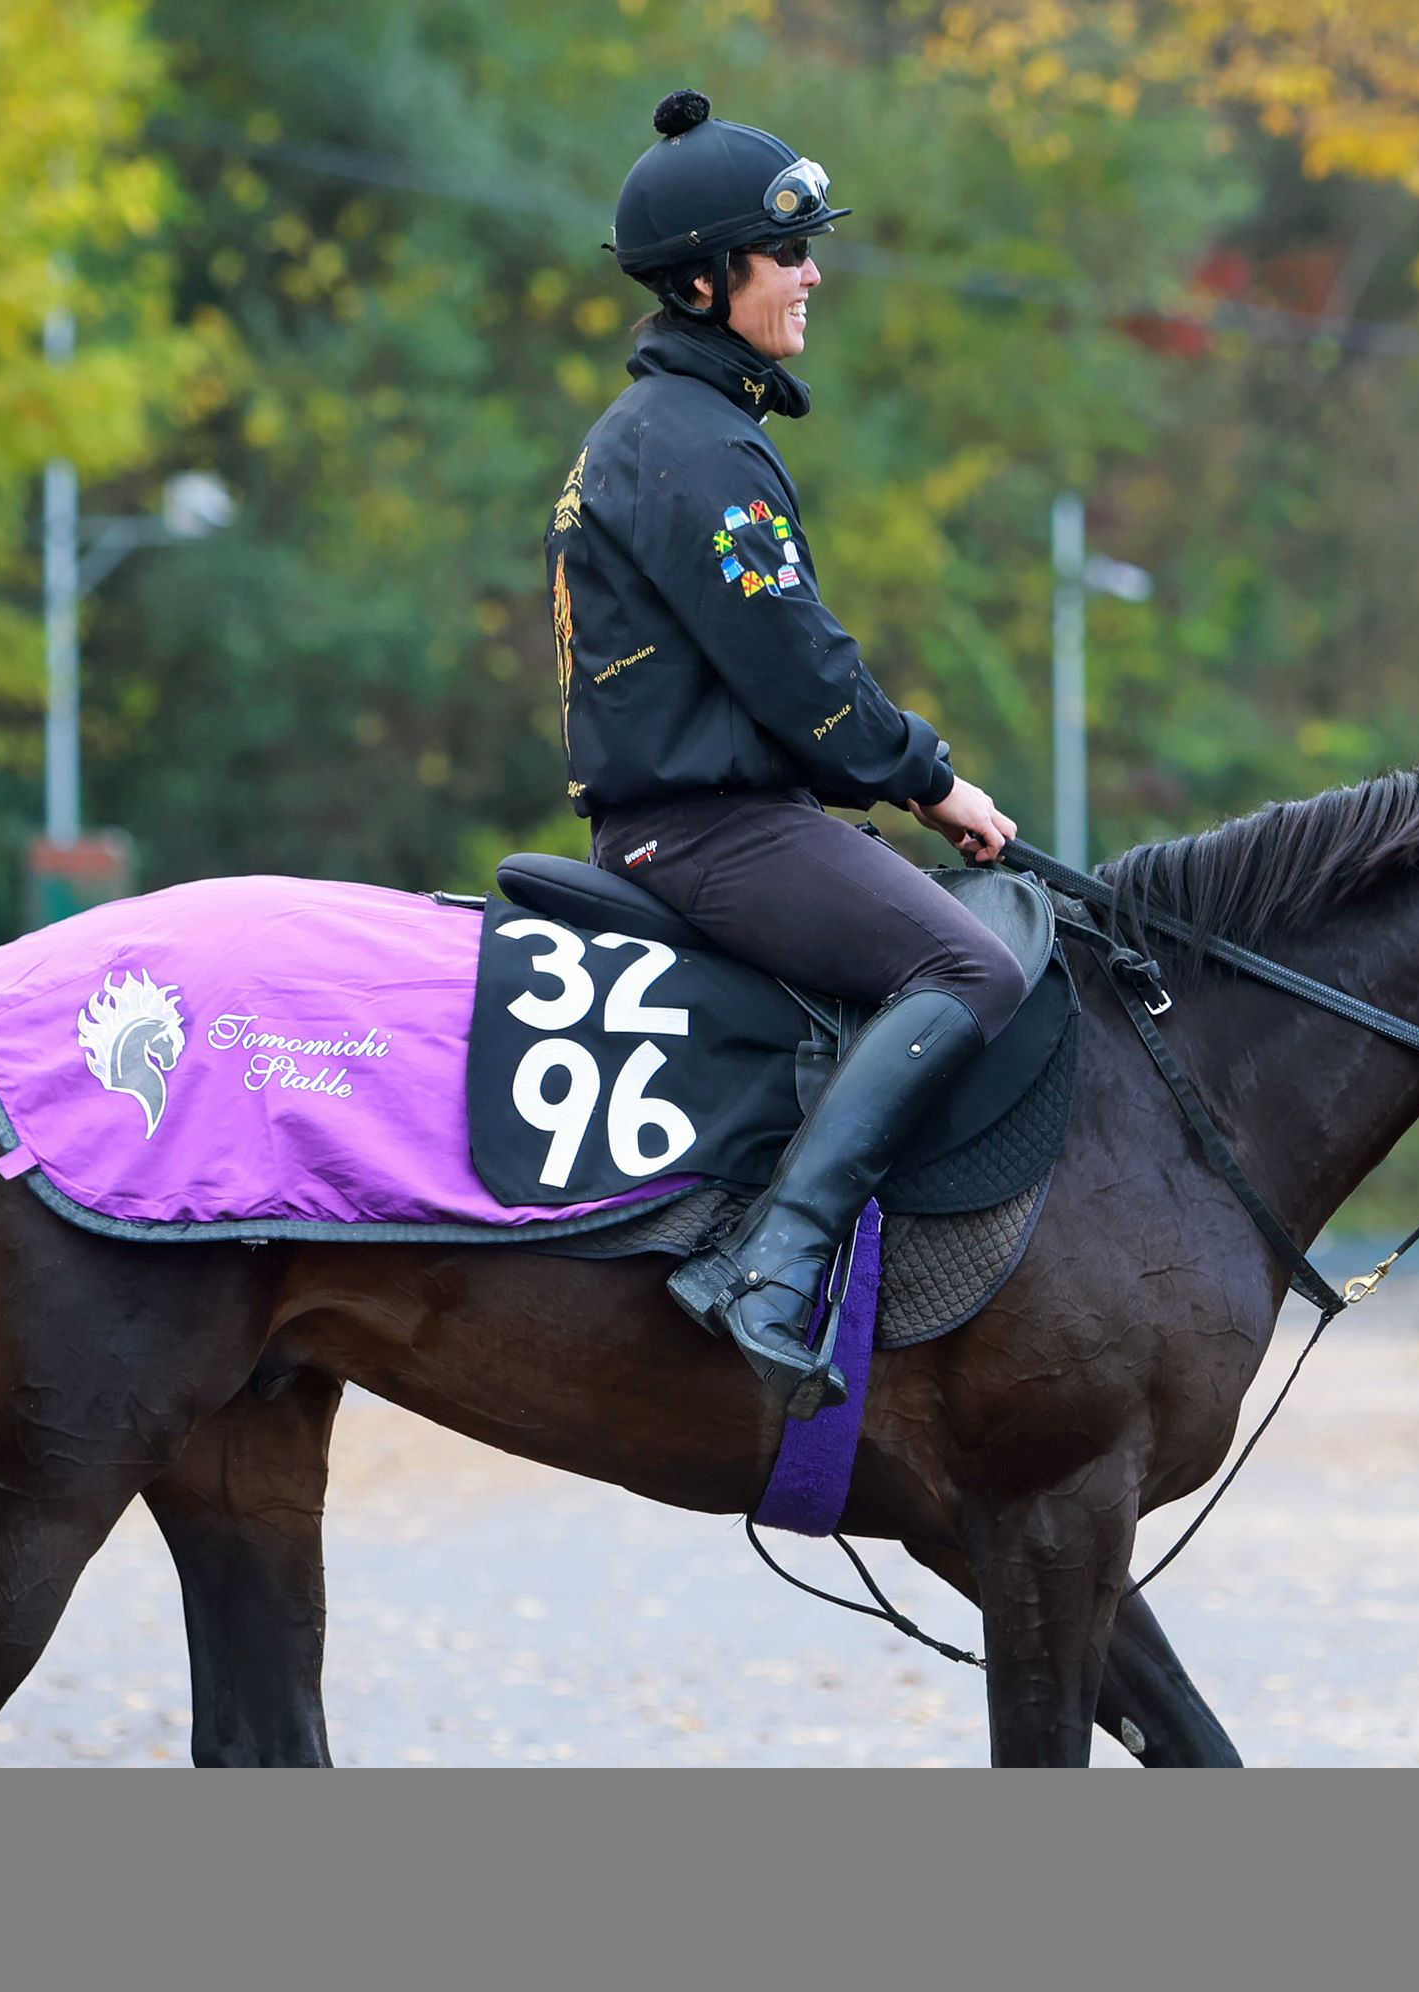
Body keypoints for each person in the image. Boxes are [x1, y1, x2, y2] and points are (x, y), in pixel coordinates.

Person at [545, 90, 1031, 1418]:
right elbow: (800, 672)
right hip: (707, 830)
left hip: (712, 815)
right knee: (965, 964)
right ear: (707, 282)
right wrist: (929, 780)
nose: (813, 271)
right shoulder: (696, 450)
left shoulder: (680, 433)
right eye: (788, 253)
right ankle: (771, 1263)